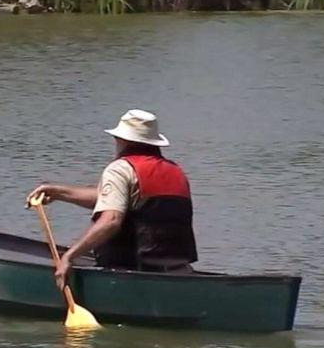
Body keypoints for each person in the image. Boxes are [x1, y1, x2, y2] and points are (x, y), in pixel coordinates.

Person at [26, 109, 198, 288]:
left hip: (133, 272)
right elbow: (115, 200)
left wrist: (70, 256)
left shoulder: (120, 169)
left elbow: (112, 219)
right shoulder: (175, 171)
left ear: (122, 140)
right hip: (178, 271)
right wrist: (58, 192)